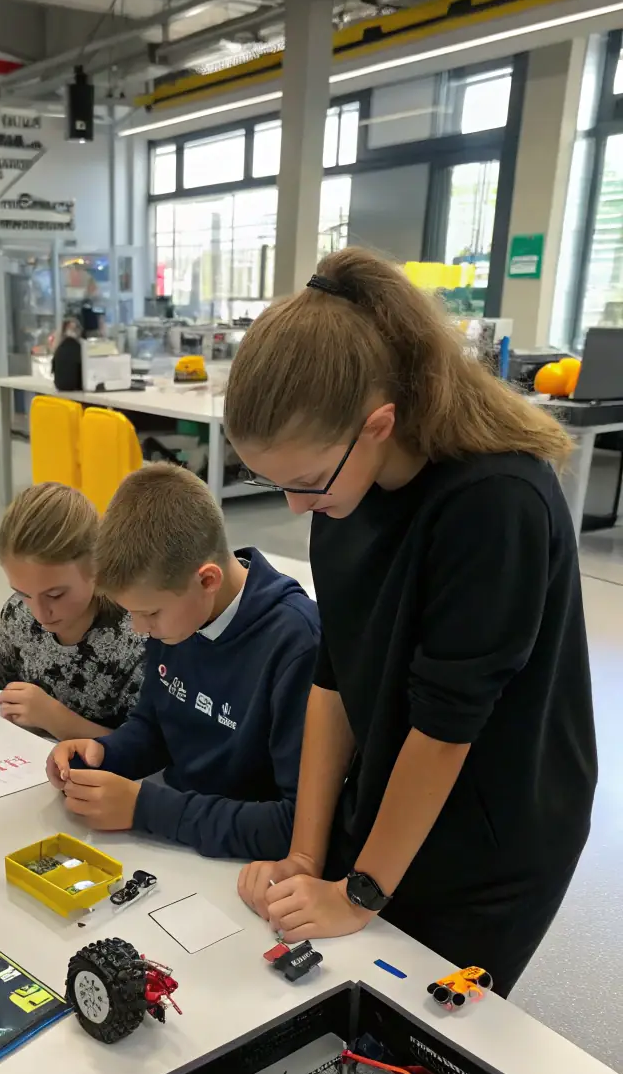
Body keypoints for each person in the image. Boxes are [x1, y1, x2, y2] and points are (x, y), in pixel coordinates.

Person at [225, 248, 597, 994]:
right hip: (397, 782)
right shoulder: (343, 485)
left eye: (305, 483)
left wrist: (359, 892)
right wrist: (307, 854)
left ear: (379, 425)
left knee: (420, 1015)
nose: (295, 507)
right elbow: (335, 674)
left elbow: (445, 729)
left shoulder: (496, 502)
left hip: (494, 829)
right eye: (275, 484)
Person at [46, 464, 319, 859]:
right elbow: (156, 726)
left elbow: (296, 826)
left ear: (207, 580)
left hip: (246, 862)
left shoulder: (297, 645)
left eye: (150, 613)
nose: (139, 629)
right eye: (132, 613)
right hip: (182, 835)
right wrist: (105, 753)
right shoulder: (179, 616)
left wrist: (145, 808)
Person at [0, 482, 145, 739]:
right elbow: (1, 661)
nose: (39, 613)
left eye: (55, 595)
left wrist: (57, 720)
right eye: (23, 593)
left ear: (97, 568)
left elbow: (143, 747)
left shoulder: (135, 638)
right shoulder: (20, 613)